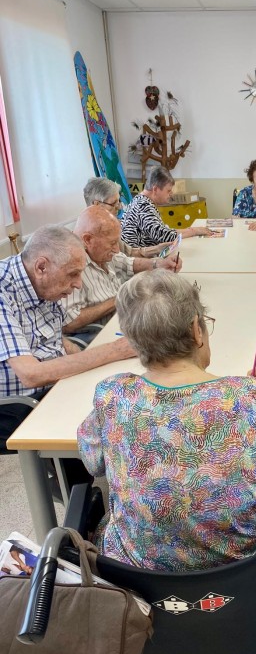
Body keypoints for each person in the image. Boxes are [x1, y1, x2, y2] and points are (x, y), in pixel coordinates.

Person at [78, 271, 256, 572]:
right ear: (197, 330)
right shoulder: (254, 397)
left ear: (134, 341)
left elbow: (93, 462)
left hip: (140, 583)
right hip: (249, 582)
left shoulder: (113, 394)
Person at [0, 225, 136, 473]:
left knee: (120, 400)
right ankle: (78, 489)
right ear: (41, 267)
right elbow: (31, 374)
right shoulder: (3, 290)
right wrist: (114, 351)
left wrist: (95, 364)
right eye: (73, 274)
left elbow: (56, 341)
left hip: (49, 388)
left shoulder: (41, 283)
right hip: (16, 405)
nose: (78, 284)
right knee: (95, 426)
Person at [62, 206, 182, 338]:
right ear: (88, 240)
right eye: (112, 243)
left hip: (124, 319)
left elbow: (127, 263)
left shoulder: (100, 252)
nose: (117, 249)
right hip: (101, 334)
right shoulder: (69, 265)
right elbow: (69, 322)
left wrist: (158, 264)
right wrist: (119, 299)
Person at [121, 166, 213, 246]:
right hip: (141, 256)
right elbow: (163, 236)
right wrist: (194, 231)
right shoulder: (143, 206)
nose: (171, 194)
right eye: (168, 191)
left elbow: (163, 232)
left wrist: (191, 230)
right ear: (155, 189)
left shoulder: (139, 200)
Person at [83, 176, 168, 259]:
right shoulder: (91, 238)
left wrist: (158, 249)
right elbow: (123, 261)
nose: (119, 207)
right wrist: (155, 262)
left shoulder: (109, 226)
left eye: (119, 202)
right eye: (113, 203)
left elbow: (129, 252)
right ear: (97, 204)